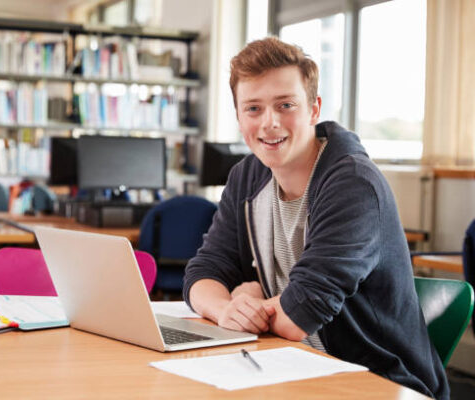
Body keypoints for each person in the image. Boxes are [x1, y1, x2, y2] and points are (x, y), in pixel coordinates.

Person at [183, 37, 449, 399]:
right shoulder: (246, 176)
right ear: (239, 116)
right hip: (290, 366)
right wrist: (229, 307)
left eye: (285, 105)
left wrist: (253, 300)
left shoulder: (353, 183)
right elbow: (203, 274)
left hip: (377, 382)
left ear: (313, 109)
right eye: (253, 109)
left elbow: (298, 315)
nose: (270, 123)